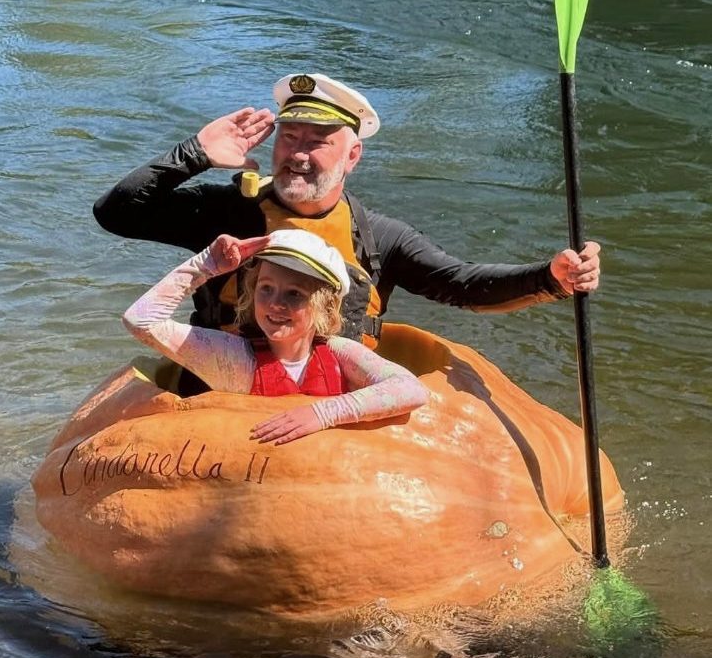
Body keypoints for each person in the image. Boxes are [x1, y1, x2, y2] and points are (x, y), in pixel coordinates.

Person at [95, 72, 600, 370]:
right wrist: (194, 154)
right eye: (290, 137)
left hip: (328, 392)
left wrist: (551, 278)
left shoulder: (381, 238)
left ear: (351, 155)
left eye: (318, 142)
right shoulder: (226, 213)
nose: (297, 154)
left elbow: (462, 285)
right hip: (224, 381)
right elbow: (116, 213)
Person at [122, 229, 429, 445]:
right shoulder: (233, 358)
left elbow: (410, 389)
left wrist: (323, 413)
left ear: (324, 305)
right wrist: (206, 265)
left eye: (294, 294)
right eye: (265, 288)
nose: (275, 303)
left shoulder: (339, 353)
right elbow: (141, 320)